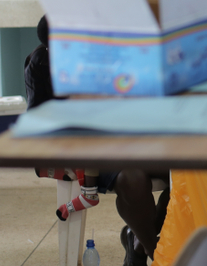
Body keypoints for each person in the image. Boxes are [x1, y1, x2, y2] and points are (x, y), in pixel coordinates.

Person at [25, 16, 171, 266]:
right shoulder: (39, 64)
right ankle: (153, 252)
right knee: (132, 179)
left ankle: (137, 243)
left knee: (188, 171)